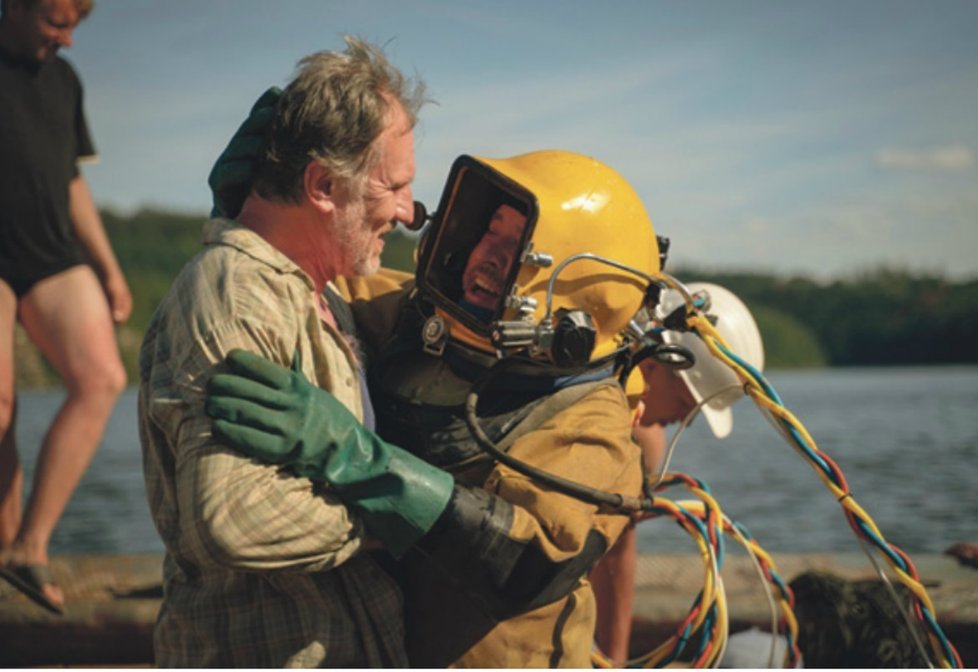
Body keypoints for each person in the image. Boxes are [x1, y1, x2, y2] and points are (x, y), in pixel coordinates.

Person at [205, 149, 673, 667]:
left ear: (576, 291)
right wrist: (255, 209)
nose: (486, 253)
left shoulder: (590, 420)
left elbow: (526, 564)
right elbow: (313, 271)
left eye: (516, 243)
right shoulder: (424, 320)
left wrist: (362, 462)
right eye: (489, 229)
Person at [137, 37, 430, 667]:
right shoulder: (238, 292)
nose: (409, 212)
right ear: (324, 184)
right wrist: (401, 514)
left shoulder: (324, 294)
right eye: (397, 186)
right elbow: (235, 517)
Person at [0, 0, 131, 616]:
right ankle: (3, 551)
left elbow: (72, 179)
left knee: (102, 378)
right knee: (0, 399)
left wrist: (107, 267)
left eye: (77, 26)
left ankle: (29, 545)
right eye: (57, 22)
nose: (69, 39)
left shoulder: (63, 80)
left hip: (51, 251)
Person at [590, 282, 766, 664]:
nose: (686, 420)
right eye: (687, 403)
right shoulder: (599, 407)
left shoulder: (645, 441)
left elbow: (617, 549)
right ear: (652, 364)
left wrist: (614, 659)